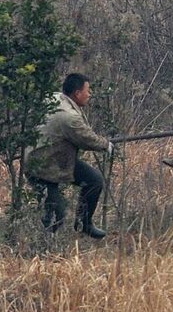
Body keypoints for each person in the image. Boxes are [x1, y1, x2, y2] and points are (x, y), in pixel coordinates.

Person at [24, 73, 114, 239]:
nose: (90, 94)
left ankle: (83, 223)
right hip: (42, 166)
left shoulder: (55, 97)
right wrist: (106, 145)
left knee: (94, 180)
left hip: (57, 159)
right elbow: (86, 138)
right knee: (57, 211)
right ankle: (42, 245)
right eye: (88, 90)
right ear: (77, 93)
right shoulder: (69, 117)